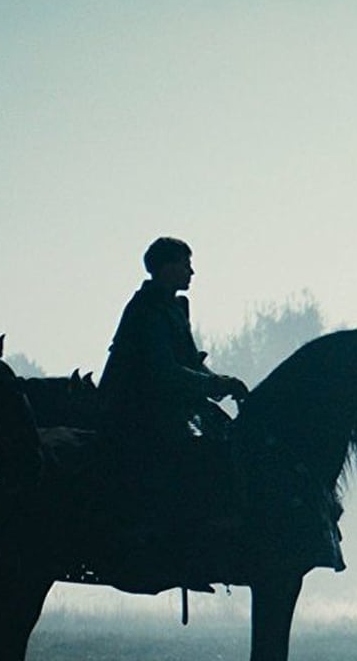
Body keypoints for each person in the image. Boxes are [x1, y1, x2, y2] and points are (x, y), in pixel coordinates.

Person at [98, 238, 247, 561]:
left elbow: (190, 363)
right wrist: (215, 384)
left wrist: (221, 383)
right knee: (199, 454)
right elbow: (163, 371)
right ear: (165, 268)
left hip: (172, 404)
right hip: (142, 411)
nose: (191, 271)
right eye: (184, 263)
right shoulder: (147, 310)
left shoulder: (171, 308)